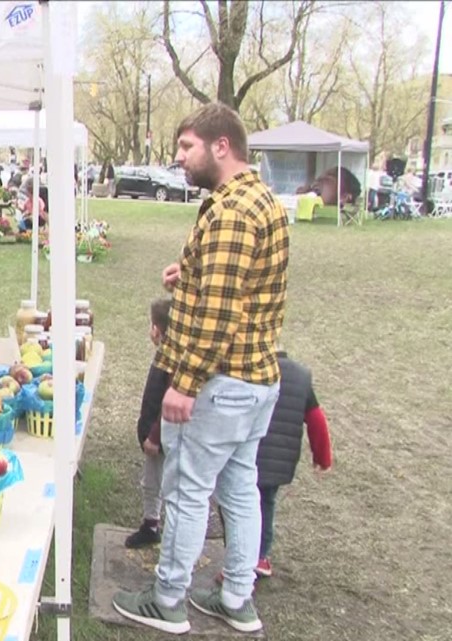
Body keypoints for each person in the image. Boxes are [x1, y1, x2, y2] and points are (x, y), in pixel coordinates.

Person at [112, 102, 289, 635]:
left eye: (187, 146)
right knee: (240, 488)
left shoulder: (232, 212)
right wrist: (187, 274)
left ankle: (168, 599)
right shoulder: (259, 201)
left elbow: (220, 312)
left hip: (221, 383)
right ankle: (236, 596)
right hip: (257, 383)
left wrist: (184, 385)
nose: (178, 157)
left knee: (187, 491)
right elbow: (237, 284)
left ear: (221, 146)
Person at [247, 351, 333, 576]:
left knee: (239, 502)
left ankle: (240, 558)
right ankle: (261, 556)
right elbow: (316, 419)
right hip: (280, 459)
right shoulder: (301, 376)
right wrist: (322, 457)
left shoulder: (249, 366)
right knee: (266, 502)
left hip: (250, 451)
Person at [124, 298, 172, 549]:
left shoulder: (172, 361)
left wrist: (155, 435)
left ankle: (173, 536)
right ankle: (150, 524)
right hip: (155, 436)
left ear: (156, 329)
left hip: (163, 438)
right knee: (150, 481)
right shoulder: (163, 355)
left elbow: (168, 401)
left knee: (166, 484)